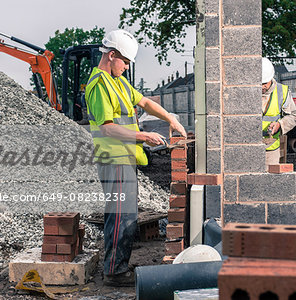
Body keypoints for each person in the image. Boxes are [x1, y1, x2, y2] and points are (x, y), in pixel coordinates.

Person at [84, 29, 186, 287]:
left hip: (124, 158)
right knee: (121, 215)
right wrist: (144, 136)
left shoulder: (118, 82)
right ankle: (115, 273)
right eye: (125, 61)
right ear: (111, 55)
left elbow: (144, 102)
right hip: (113, 159)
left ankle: (116, 267)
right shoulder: (98, 85)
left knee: (125, 214)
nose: (127, 67)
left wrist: (170, 118)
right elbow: (107, 127)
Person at [262, 57, 296, 167]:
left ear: (271, 78)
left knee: (269, 182)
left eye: (264, 83)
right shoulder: (247, 91)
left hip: (271, 149)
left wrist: (280, 124)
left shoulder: (282, 91)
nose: (262, 87)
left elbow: (294, 116)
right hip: (248, 148)